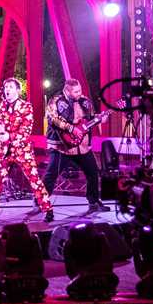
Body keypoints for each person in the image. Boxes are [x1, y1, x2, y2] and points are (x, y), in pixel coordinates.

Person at [0, 77, 52, 222]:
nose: (7, 89)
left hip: (22, 150)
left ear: (17, 90)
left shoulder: (26, 107)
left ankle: (48, 209)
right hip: (3, 151)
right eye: (5, 87)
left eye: (10, 87)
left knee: (34, 180)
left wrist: (8, 136)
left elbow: (26, 130)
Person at [42, 78, 111, 217]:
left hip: (82, 146)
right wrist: (71, 129)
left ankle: (93, 201)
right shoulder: (55, 101)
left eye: (80, 90)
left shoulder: (85, 101)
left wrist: (101, 118)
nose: (79, 93)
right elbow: (53, 119)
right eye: (76, 91)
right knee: (51, 175)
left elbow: (90, 119)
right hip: (62, 146)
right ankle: (40, 200)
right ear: (67, 90)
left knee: (93, 173)